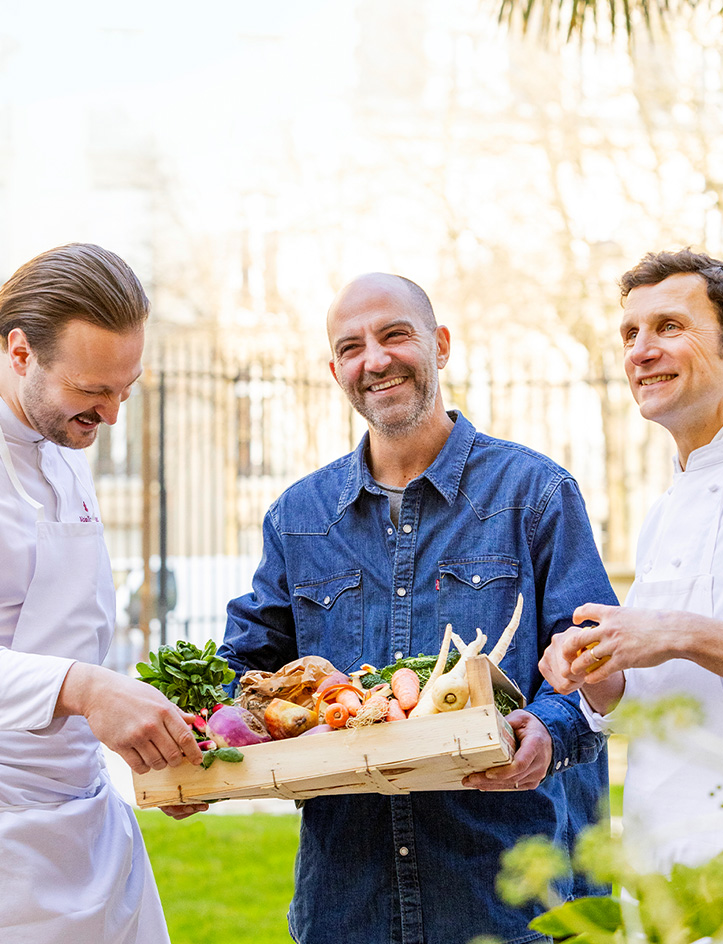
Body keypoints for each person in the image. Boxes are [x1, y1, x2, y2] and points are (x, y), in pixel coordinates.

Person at [219, 272, 617, 943]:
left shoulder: (534, 494)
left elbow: (594, 660)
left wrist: (547, 732)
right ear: (335, 368)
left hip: (506, 895)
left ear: (441, 345)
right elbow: (248, 669)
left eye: (394, 335)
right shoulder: (299, 518)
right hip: (350, 902)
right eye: (351, 347)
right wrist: (205, 737)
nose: (374, 360)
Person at [539, 248, 723, 873]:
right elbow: (670, 699)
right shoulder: (665, 510)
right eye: (630, 334)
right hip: (662, 869)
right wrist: (600, 673)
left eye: (669, 326)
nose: (640, 350)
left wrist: (676, 631)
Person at [0, 243, 204, 944]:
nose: (113, 415)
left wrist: (141, 736)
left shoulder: (63, 439)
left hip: (89, 818)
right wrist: (87, 690)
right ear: (21, 353)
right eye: (95, 391)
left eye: (127, 389)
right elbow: (69, 676)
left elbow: (62, 634)